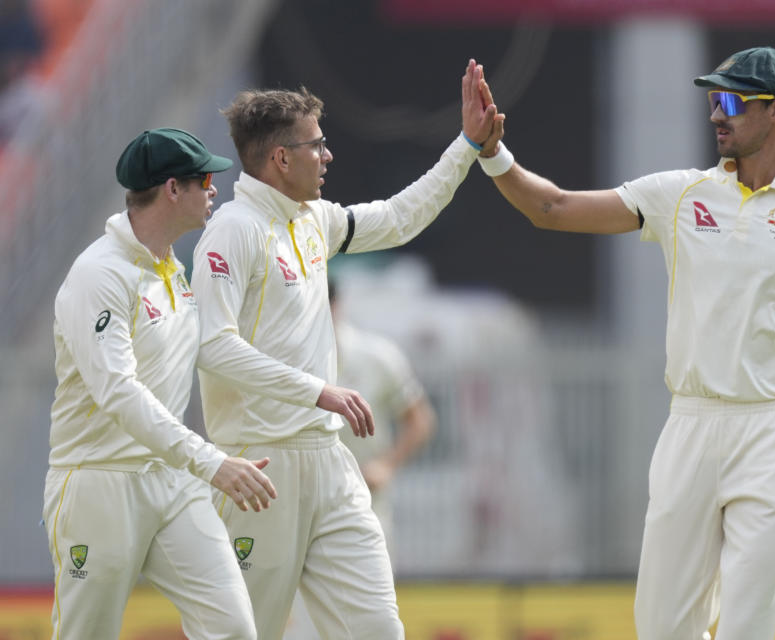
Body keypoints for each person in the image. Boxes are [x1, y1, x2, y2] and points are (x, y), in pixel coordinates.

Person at [475, 47, 775, 639]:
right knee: (662, 627)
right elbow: (554, 208)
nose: (715, 115)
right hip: (689, 427)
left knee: (749, 627)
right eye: (711, 101)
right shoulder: (680, 195)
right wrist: (493, 154)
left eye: (730, 102)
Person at [190, 59, 501, 639]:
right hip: (261, 465)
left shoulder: (314, 221)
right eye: (317, 145)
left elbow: (397, 218)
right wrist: (318, 391)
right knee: (239, 632)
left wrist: (466, 147)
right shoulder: (234, 230)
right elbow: (210, 346)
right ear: (281, 158)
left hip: (330, 464)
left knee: (379, 630)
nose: (328, 156)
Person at [44, 127, 278, 640]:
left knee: (234, 628)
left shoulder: (174, 270)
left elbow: (214, 352)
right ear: (173, 189)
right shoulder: (99, 274)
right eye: (204, 180)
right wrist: (212, 461)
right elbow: (119, 392)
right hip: (98, 480)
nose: (215, 188)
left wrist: (306, 392)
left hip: (172, 480)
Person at [283, 280, 437, 640]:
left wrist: (387, 464)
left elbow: (420, 420)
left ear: (336, 306)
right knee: (302, 629)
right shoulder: (280, 359)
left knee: (369, 623)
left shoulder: (376, 356)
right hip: (298, 509)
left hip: (364, 507)